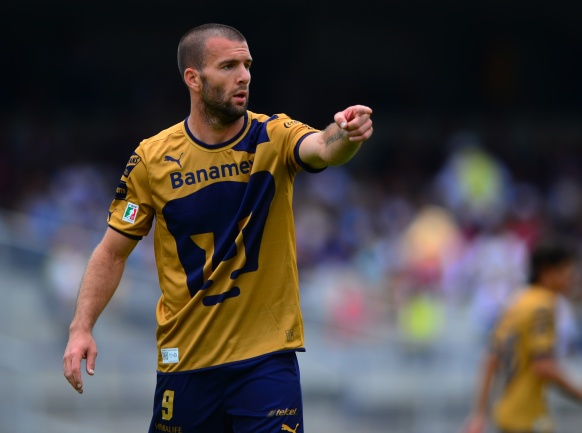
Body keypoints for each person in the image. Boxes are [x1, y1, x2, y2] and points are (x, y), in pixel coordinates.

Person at [63, 23, 373, 433]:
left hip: (265, 361)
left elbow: (322, 147)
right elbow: (112, 251)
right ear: (193, 78)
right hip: (186, 361)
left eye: (247, 65)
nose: (243, 76)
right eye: (228, 66)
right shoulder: (151, 159)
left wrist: (346, 133)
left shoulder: (273, 135)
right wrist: (81, 327)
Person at [463, 238, 582, 433]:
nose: (572, 278)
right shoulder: (543, 306)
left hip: (507, 414)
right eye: (567, 271)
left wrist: (479, 414)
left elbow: (491, 358)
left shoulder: (517, 302)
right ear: (547, 271)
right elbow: (543, 366)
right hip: (528, 419)